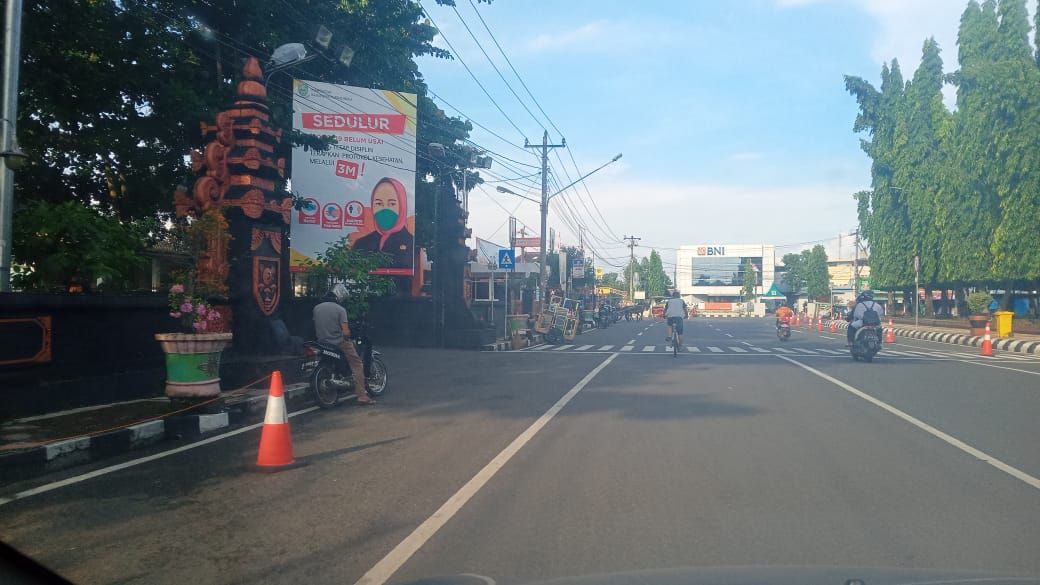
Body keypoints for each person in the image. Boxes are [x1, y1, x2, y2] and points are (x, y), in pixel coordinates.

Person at [312, 283, 374, 405]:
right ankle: (362, 395)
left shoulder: (317, 308)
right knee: (357, 363)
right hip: (338, 342)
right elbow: (345, 332)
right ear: (339, 296)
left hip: (321, 342)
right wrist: (349, 336)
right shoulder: (340, 310)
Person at [352, 177, 414, 268]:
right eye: (379, 204)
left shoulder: (412, 243)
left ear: (402, 206)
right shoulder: (361, 244)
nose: (385, 210)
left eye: (392, 204)